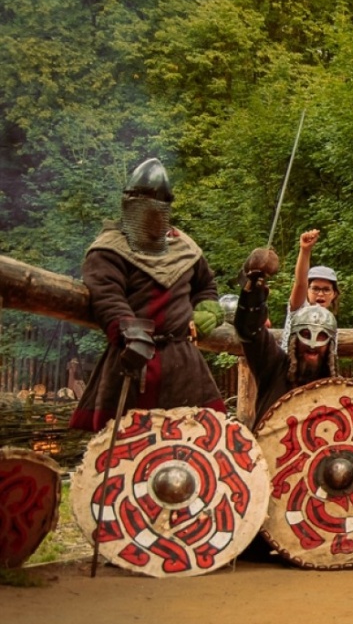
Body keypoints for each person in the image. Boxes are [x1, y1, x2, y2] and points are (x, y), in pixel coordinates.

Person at [70, 158, 226, 432]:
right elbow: (107, 295)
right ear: (131, 200)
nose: (153, 207)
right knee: (125, 448)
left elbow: (206, 286)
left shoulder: (184, 247)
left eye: (159, 201)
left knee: (194, 443)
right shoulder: (109, 249)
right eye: (146, 198)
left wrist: (207, 311)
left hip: (183, 361)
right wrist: (128, 332)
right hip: (132, 359)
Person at [234, 248, 338, 425]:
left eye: (321, 337)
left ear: (330, 345)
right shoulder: (273, 366)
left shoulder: (337, 391)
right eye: (305, 335)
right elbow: (249, 329)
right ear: (294, 339)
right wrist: (254, 285)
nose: (312, 344)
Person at [278, 229, 339, 349]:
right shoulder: (299, 310)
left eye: (326, 289)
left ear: (334, 294)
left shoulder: (330, 322)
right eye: (315, 288)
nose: (320, 294)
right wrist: (305, 250)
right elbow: (300, 283)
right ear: (307, 291)